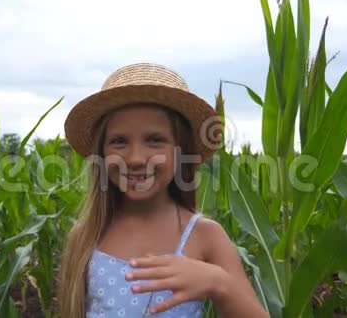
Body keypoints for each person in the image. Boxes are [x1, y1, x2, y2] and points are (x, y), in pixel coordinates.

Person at [57, 63, 267, 317]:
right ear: (101, 153)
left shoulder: (205, 236)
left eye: (155, 140)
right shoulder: (87, 236)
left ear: (181, 153)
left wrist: (219, 283)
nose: (135, 158)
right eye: (119, 141)